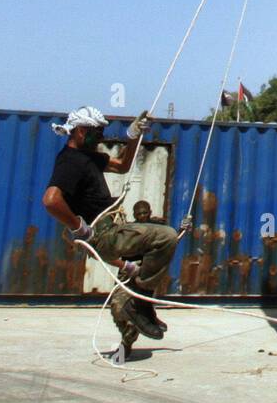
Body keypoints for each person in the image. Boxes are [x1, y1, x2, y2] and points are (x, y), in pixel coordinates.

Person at [42, 107, 178, 356]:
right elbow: (51, 200)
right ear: (81, 131)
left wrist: (133, 134)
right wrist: (80, 228)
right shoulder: (71, 161)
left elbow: (123, 166)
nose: (102, 137)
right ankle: (139, 303)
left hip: (113, 229)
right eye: (98, 132)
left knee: (155, 246)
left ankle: (140, 306)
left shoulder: (88, 157)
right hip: (103, 233)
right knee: (165, 236)